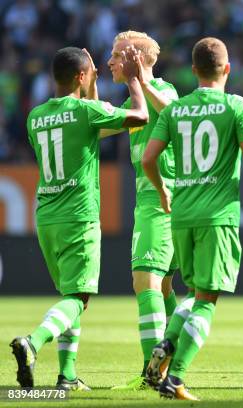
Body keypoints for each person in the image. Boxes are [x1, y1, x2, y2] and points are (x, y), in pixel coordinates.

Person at [142, 37, 243, 400]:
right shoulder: (236, 106)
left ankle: (167, 343)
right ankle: (175, 379)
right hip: (217, 217)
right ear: (227, 69)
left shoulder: (175, 110)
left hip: (182, 216)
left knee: (193, 292)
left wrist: (162, 190)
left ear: (193, 71)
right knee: (207, 299)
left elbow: (148, 159)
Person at [11, 46, 148, 390]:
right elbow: (140, 115)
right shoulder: (87, 110)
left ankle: (67, 376)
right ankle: (33, 342)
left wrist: (90, 91)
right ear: (82, 77)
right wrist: (133, 79)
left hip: (46, 217)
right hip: (78, 215)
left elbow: (90, 124)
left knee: (71, 296)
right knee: (78, 299)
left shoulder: (35, 116)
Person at [103, 30, 184, 392]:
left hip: (160, 197)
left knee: (145, 281)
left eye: (118, 54)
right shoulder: (133, 101)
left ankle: (150, 375)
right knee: (164, 285)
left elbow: (178, 118)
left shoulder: (163, 90)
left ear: (140, 58)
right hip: (156, 199)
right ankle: (168, 362)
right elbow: (100, 123)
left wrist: (142, 81)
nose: (111, 61)